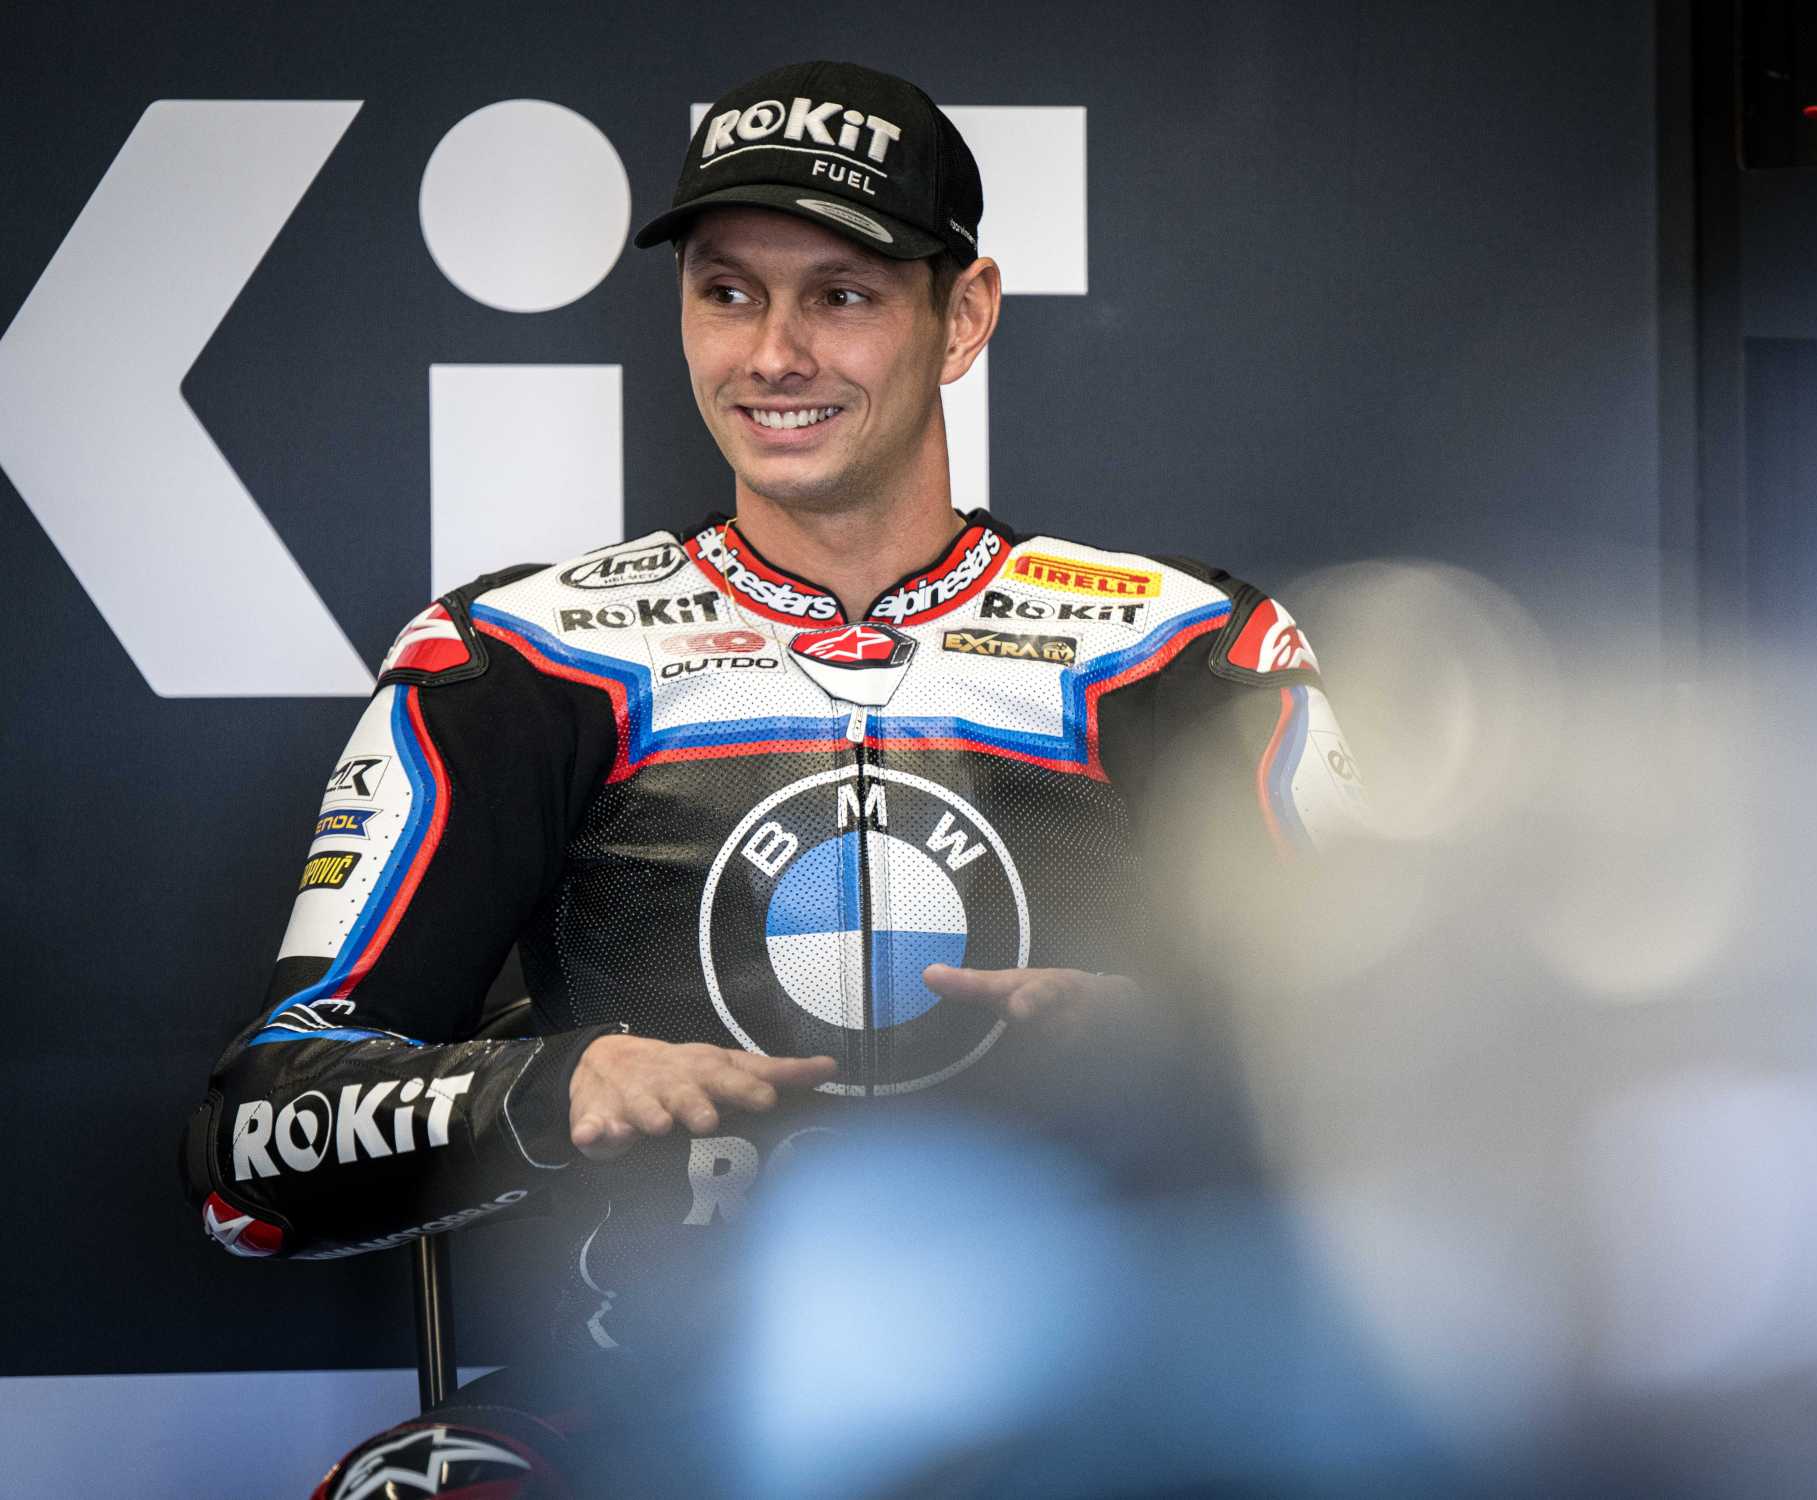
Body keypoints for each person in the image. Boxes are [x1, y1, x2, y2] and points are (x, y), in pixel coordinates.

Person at [179, 58, 1363, 1495]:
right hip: (657, 1417)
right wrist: (554, 1090)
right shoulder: (519, 658)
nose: (774, 355)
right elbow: (252, 1152)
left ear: (964, 315)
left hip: (1089, 1423)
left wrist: (1180, 1049)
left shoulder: (1187, 650)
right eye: (728, 293)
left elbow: (1431, 1080)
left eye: (841, 296)